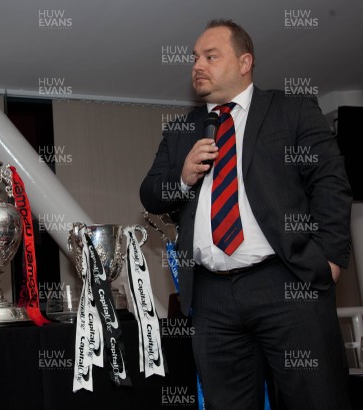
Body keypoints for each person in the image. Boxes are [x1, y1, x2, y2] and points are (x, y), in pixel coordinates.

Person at [141, 19, 352, 409]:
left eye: (210, 56)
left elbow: (330, 182)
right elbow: (151, 195)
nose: (197, 65)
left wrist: (332, 257)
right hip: (211, 295)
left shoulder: (291, 110)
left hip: (286, 282)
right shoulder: (181, 131)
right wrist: (183, 177)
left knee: (315, 399)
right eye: (194, 58)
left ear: (244, 62)